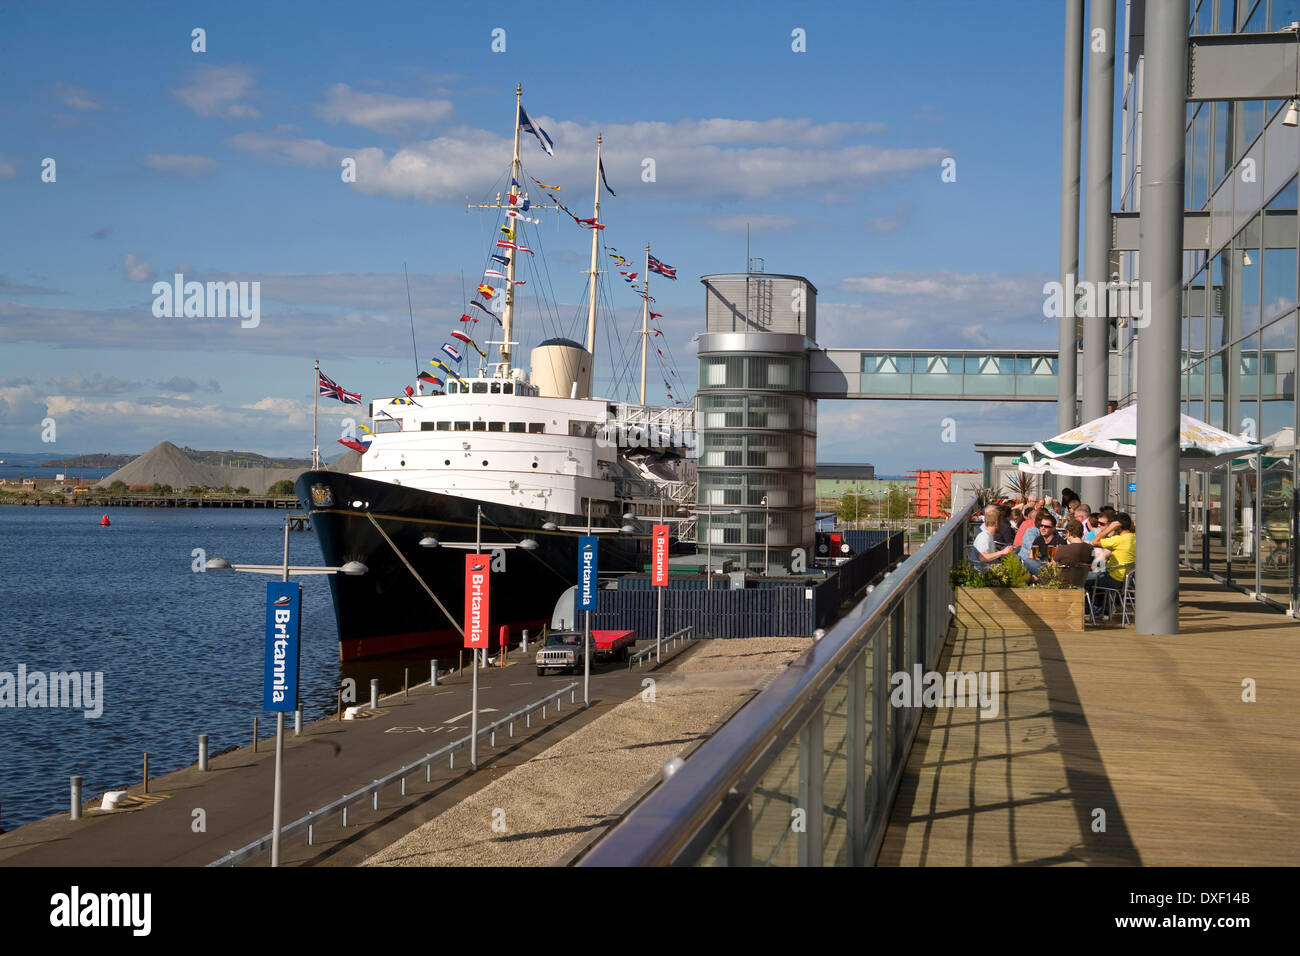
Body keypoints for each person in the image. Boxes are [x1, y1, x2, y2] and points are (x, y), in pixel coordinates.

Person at [1094, 512, 1136, 587]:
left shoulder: (1118, 540)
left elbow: (1093, 542)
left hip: (1113, 578)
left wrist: (1109, 529)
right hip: (1126, 579)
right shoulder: (1134, 537)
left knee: (1081, 578)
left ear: (1117, 525)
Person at [1020, 512, 1062, 576]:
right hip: (1041, 567)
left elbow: (1055, 562)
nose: (1043, 528)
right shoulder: (1038, 540)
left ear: (1053, 528)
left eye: (1046, 526)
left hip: (1054, 570)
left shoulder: (1058, 541)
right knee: (1028, 561)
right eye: (1041, 525)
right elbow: (1032, 557)